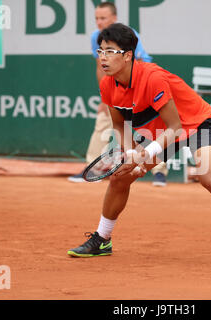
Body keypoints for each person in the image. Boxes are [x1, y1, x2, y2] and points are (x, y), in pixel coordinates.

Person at [67, 23, 211, 271]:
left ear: (128, 55)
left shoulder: (152, 78)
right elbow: (118, 125)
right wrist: (131, 156)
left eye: (110, 51)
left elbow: (176, 126)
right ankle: (102, 239)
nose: (103, 58)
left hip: (194, 123)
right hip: (159, 131)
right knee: (120, 179)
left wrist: (145, 155)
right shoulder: (108, 84)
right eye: (100, 51)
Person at [68, 2, 168, 187]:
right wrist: (105, 98)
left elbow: (136, 63)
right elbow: (101, 66)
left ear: (114, 18)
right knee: (102, 121)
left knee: (150, 128)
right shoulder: (95, 37)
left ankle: (159, 172)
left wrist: (135, 95)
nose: (99, 22)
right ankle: (93, 168)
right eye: (96, 18)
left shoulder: (127, 35)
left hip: (141, 83)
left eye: (103, 18)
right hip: (116, 85)